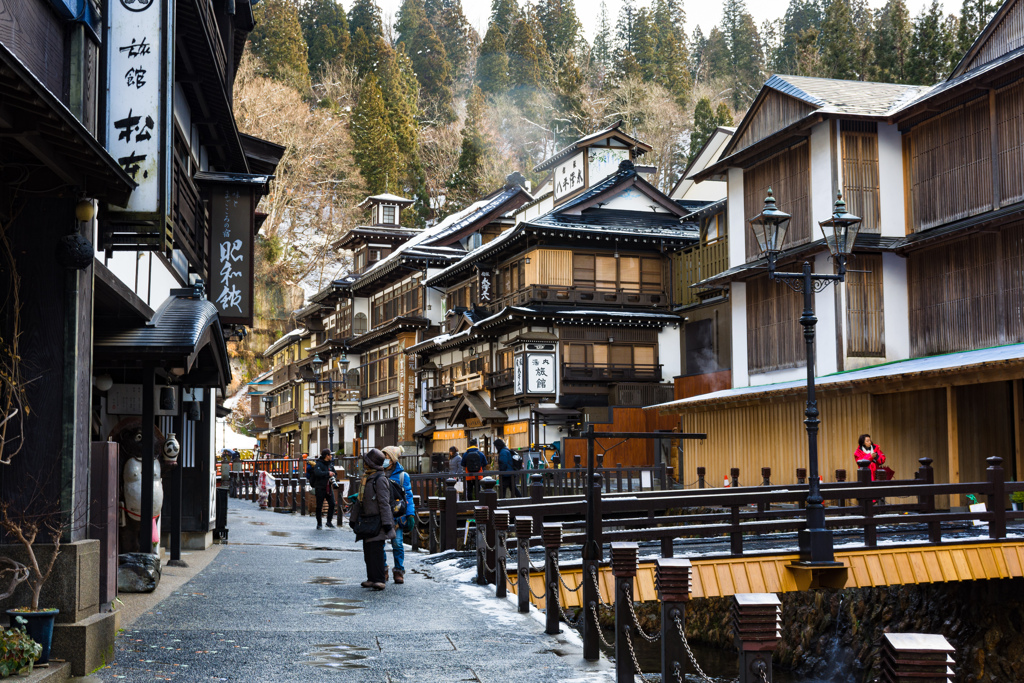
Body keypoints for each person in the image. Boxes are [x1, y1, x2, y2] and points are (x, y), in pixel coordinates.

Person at [356, 448, 394, 591]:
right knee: (368, 550)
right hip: (367, 519)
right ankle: (371, 578)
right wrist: (354, 520)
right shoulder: (367, 478)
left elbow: (384, 503)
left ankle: (379, 579)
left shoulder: (380, 479)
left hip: (378, 521)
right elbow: (359, 502)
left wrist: (387, 523)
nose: (364, 464)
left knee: (376, 551)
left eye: (366, 462)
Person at [381, 446, 415, 584]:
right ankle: (382, 569)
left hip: (397, 515)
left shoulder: (403, 476)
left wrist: (410, 514)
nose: (385, 460)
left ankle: (399, 571)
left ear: (393, 459)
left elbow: (408, 496)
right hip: (382, 514)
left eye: (387, 457)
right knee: (380, 545)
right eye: (383, 456)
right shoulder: (378, 473)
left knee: (398, 544)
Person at [308, 449, 338, 529]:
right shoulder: (319, 464)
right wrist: (328, 473)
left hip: (328, 487)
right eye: (330, 455)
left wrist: (333, 476)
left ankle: (329, 522)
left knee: (332, 504)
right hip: (320, 487)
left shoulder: (330, 464)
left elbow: (335, 473)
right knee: (319, 506)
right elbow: (317, 473)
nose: (331, 456)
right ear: (327, 456)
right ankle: (319, 523)